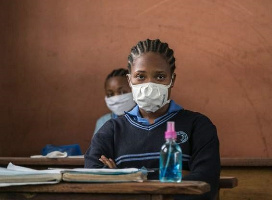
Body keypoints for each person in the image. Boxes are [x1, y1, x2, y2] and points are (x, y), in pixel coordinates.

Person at [85, 39, 220, 200]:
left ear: (172, 80)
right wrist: (176, 179)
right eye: (140, 76)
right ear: (130, 81)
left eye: (160, 76)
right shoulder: (111, 130)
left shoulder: (198, 126)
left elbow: (205, 183)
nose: (149, 85)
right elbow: (93, 180)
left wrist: (122, 178)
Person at [93, 68, 136, 135]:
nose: (116, 98)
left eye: (122, 92)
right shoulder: (103, 122)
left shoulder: (149, 120)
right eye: (110, 94)